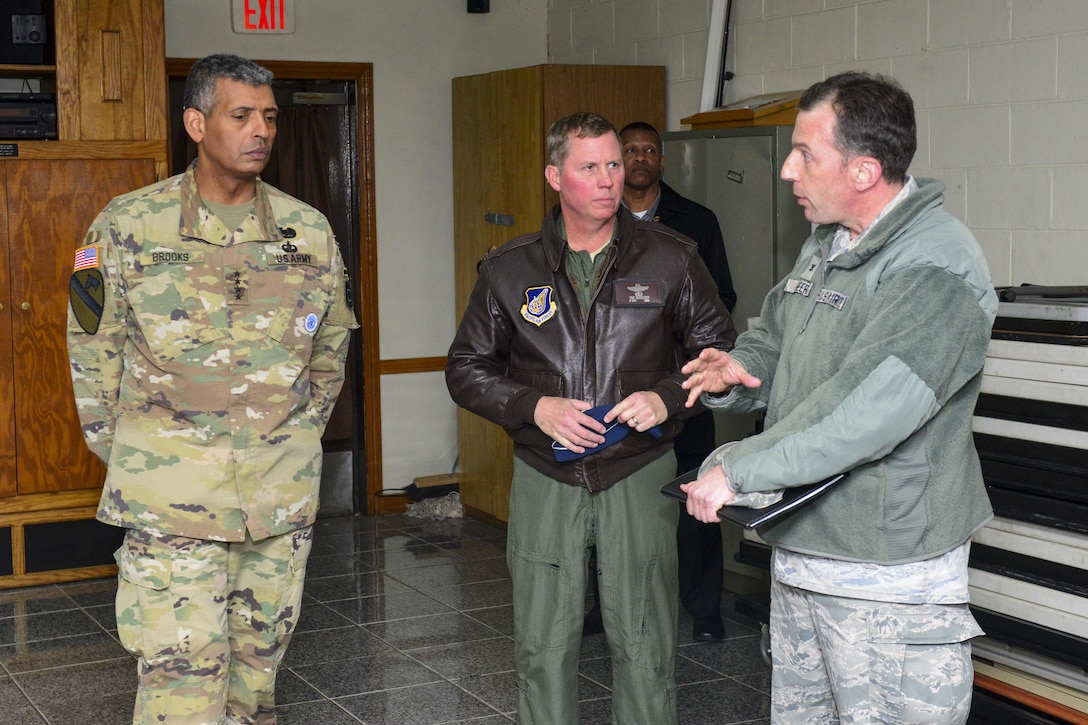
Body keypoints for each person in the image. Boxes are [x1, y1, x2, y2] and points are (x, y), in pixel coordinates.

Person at [680, 71, 996, 724]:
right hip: (805, 554)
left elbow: (868, 418)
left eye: (805, 154)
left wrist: (741, 468)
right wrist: (739, 366)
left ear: (863, 170)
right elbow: (778, 330)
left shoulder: (935, 268)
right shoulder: (829, 241)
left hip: (886, 578)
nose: (787, 170)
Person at [66, 53, 358, 724]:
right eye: (241, 115)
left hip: (275, 499)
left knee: (256, 688)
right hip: (171, 504)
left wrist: (289, 439)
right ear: (197, 123)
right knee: (181, 690)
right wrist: (140, 455)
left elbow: (330, 348)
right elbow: (92, 348)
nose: (261, 130)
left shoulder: (306, 230)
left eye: (270, 117)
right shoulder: (126, 226)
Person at [446, 111, 736, 724]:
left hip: (638, 469)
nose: (610, 178)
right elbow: (466, 369)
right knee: (544, 647)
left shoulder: (673, 259)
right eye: (590, 167)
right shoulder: (510, 269)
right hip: (546, 476)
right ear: (555, 176)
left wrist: (666, 395)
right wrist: (534, 406)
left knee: (645, 645)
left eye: (613, 163)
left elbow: (719, 356)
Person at [621, 120, 737, 642]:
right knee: (614, 497)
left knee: (695, 495)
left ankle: (705, 610)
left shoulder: (697, 221)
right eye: (630, 151)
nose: (640, 158)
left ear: (663, 160)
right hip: (616, 387)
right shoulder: (595, 218)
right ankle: (606, 608)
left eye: (650, 150)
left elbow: (722, 302)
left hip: (684, 383)